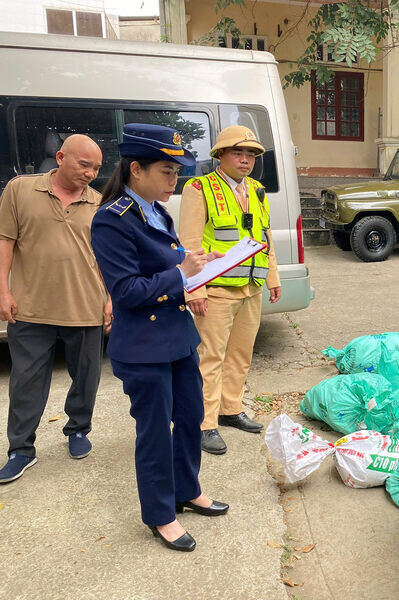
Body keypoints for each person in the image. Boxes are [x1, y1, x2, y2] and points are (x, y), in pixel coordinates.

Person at [91, 123, 229, 552]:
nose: (176, 180)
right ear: (137, 169)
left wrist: (197, 263)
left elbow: (168, 266)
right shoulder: (110, 220)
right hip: (144, 347)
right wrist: (180, 273)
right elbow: (128, 291)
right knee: (154, 431)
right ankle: (160, 514)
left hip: (178, 336)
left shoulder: (155, 210)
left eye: (177, 171)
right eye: (167, 172)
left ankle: (187, 490)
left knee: (190, 419)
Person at [0, 134, 112, 484]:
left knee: (87, 377)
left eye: (96, 167)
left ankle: (78, 430)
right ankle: (21, 449)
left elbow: (108, 257)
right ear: (60, 157)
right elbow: (5, 241)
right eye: (84, 164)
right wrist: (2, 289)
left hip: (86, 305)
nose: (91, 173)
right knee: (25, 382)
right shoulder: (20, 190)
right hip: (31, 307)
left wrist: (110, 298)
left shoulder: (100, 203)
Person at [179, 125, 280, 455]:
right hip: (217, 289)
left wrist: (273, 278)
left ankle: (230, 409)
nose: (246, 159)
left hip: (250, 288)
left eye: (251, 154)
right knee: (209, 358)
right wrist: (194, 290)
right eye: (238, 152)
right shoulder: (200, 188)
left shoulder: (257, 190)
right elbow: (189, 244)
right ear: (219, 155)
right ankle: (205, 423)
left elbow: (265, 238)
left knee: (240, 355)